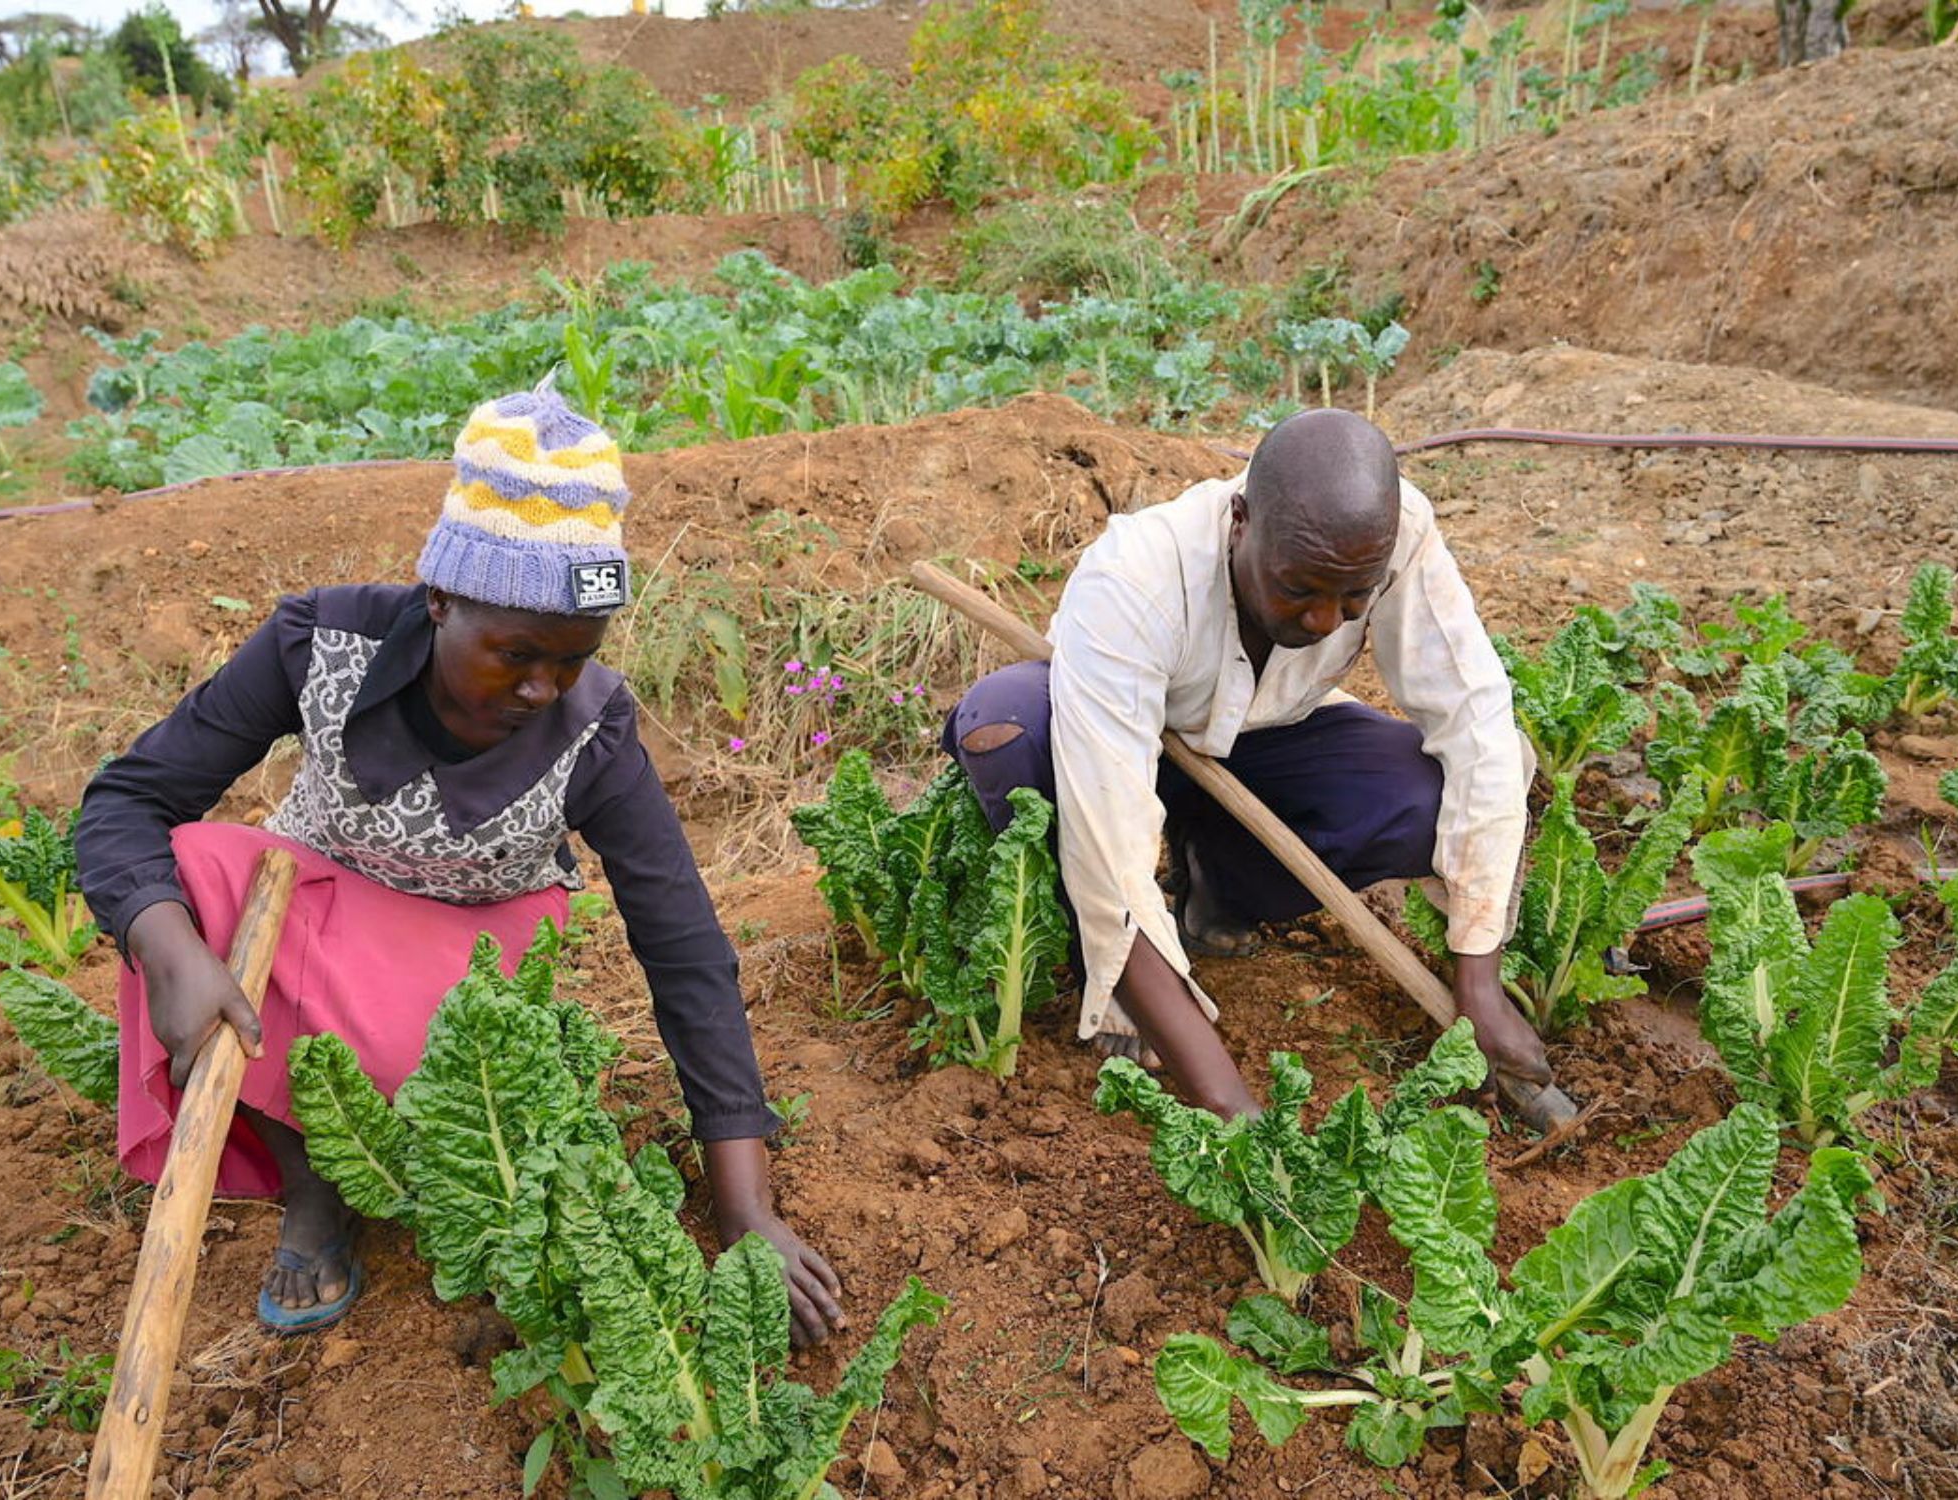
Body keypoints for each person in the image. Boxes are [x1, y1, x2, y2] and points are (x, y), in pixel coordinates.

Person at [76, 384, 844, 1340]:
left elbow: (685, 952)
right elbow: (127, 802)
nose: (540, 688)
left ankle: (366, 1146)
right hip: (314, 904)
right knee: (187, 871)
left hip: (473, 951)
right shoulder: (320, 644)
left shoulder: (592, 730)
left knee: (442, 1084)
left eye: (571, 659)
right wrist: (171, 953)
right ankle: (312, 1187)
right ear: (439, 600)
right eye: (516, 654)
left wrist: (744, 1209)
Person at [941, 408, 1552, 1120]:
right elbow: (1106, 842)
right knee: (1007, 726)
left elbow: (1476, 721)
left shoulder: (1396, 534)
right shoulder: (1136, 577)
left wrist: (1477, 979)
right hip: (1097, 744)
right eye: (1299, 590)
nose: (1324, 622)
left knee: (1426, 795)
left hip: (1259, 742)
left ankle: (1220, 887)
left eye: (1352, 598)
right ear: (1240, 521)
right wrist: (1233, 1108)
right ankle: (1110, 979)